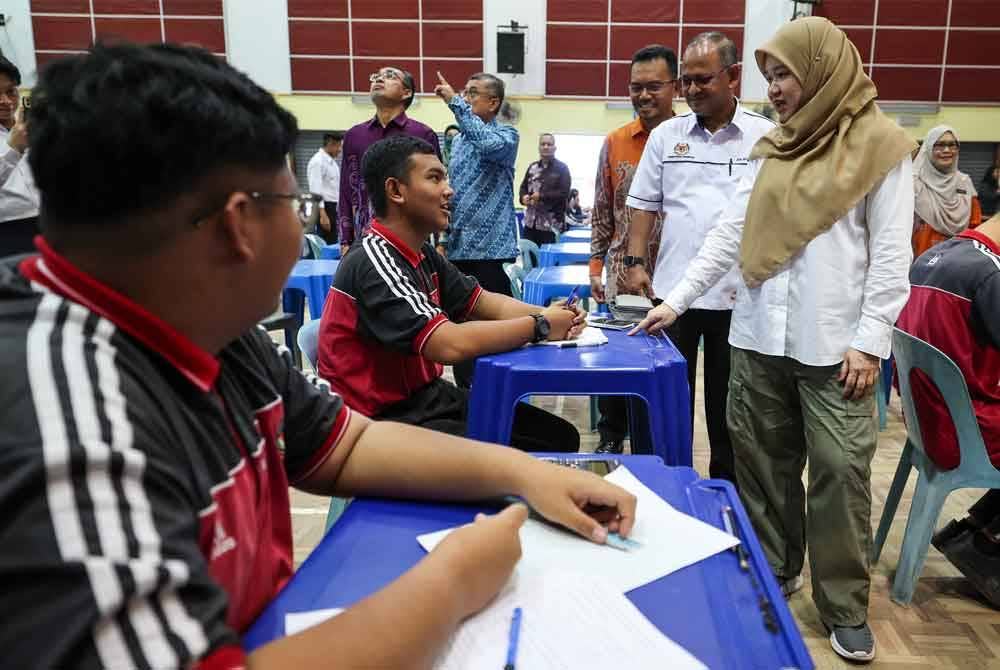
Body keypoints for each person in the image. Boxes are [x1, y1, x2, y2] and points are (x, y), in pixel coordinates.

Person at [0, 42, 637, 668]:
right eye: (294, 205)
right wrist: (452, 581)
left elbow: (346, 445)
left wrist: (527, 473)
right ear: (236, 224)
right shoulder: (69, 421)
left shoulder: (205, 324)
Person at [632, 17, 916, 662]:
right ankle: (775, 569)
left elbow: (893, 257)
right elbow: (729, 235)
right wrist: (675, 302)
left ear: (822, 70)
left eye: (784, 74)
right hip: (758, 337)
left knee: (841, 475)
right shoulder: (776, 147)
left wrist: (870, 342)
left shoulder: (881, 148)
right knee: (763, 467)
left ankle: (843, 605)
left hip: (835, 348)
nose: (776, 89)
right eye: (770, 77)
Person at [318, 135, 582, 453]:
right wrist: (539, 326)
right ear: (395, 190)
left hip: (425, 398)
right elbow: (449, 344)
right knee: (525, 456)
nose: (449, 190)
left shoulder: (423, 254)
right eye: (434, 178)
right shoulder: (373, 261)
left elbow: (486, 302)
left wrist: (551, 315)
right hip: (380, 423)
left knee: (559, 436)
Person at [621, 33, 774, 478]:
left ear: (734, 77)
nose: (691, 90)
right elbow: (644, 205)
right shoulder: (667, 136)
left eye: (702, 79)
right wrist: (634, 264)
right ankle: (671, 485)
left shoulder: (766, 136)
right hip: (672, 297)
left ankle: (724, 494)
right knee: (670, 404)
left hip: (739, 299)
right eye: (685, 81)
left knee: (730, 413)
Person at [896, 211, 1000, 606]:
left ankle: (978, 529)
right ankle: (986, 545)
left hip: (925, 418)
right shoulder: (989, 273)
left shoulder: (936, 256)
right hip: (962, 429)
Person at [588, 44, 678, 454]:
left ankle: (656, 446)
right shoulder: (616, 141)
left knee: (665, 370)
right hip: (623, 277)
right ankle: (610, 437)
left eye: (654, 87)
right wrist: (595, 266)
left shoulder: (690, 143)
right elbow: (602, 211)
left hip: (676, 280)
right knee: (618, 364)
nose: (643, 96)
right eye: (636, 87)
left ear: (674, 87)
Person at [433, 71, 520, 388]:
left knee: (499, 329)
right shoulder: (457, 142)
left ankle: (505, 390)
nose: (466, 98)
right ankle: (467, 398)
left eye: (472, 94)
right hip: (458, 249)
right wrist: (443, 238)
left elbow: (487, 143)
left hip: (490, 253)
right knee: (460, 330)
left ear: (493, 102)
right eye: (464, 93)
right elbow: (449, 191)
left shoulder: (506, 138)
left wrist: (454, 103)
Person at [338, 66, 440, 255]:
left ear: (406, 92)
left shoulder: (422, 134)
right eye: (376, 76)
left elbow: (437, 189)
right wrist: (345, 240)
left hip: (413, 241)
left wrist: (442, 242)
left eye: (390, 76)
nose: (379, 79)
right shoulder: (354, 136)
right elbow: (346, 189)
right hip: (366, 241)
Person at [911, 125, 982, 258]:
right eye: (939, 145)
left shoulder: (965, 183)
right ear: (928, 148)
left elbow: (975, 226)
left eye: (952, 145)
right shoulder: (913, 184)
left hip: (957, 263)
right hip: (919, 264)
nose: (946, 150)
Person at [0, 56, 40, 256]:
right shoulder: (19, 137)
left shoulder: (30, 126)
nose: (6, 101)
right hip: (8, 231)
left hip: (47, 224)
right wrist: (13, 149)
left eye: (10, 92)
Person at [518, 133, 572, 246]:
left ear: (554, 148)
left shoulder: (562, 168)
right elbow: (523, 187)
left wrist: (542, 196)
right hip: (530, 224)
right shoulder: (532, 167)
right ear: (539, 147)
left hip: (551, 227)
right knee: (531, 261)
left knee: (548, 262)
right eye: (543, 144)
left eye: (549, 144)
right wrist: (523, 197)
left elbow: (564, 193)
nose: (546, 147)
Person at [306, 131, 343, 244]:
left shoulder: (332, 163)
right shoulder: (317, 162)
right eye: (338, 146)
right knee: (326, 244)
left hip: (333, 208)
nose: (340, 150)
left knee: (333, 242)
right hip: (325, 208)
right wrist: (323, 215)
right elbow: (315, 190)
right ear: (331, 144)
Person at [980, 144, 999, 217]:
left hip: (994, 214)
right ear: (990, 173)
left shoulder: (996, 184)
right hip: (985, 214)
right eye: (996, 172)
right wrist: (997, 192)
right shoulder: (984, 185)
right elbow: (987, 197)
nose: (998, 174)